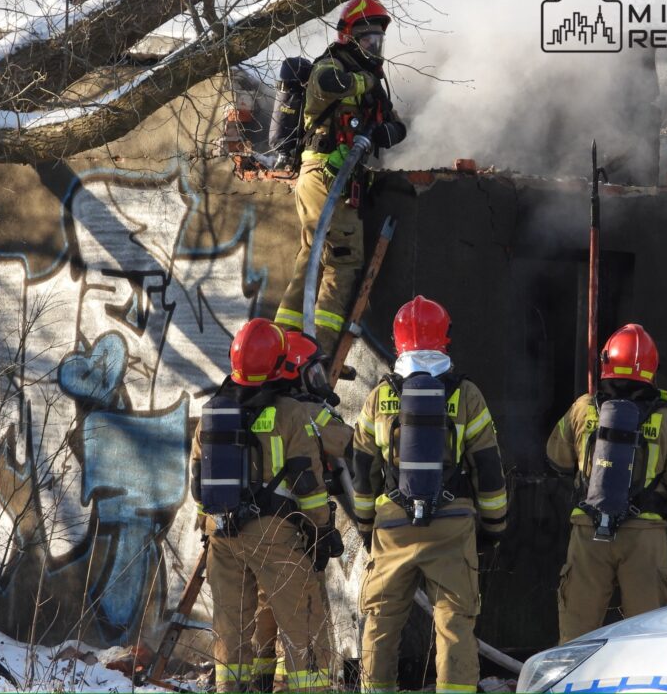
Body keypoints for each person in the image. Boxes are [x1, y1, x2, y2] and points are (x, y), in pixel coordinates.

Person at [351, 296, 508, 694]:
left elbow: (363, 470)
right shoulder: (466, 394)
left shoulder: (378, 397)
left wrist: (367, 525)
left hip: (392, 526)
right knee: (454, 622)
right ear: (445, 338)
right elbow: (488, 467)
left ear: (397, 341)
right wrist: (494, 526)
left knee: (382, 621)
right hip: (452, 524)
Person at [190, 319, 343, 692]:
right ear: (279, 363)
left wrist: (208, 527)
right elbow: (308, 483)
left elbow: (198, 483)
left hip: (221, 536)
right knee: (305, 629)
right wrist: (322, 529)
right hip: (273, 537)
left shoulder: (212, 413)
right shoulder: (291, 412)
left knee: (232, 633)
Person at [275, 0, 407, 360]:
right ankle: (319, 354)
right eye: (368, 40)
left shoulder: (372, 82)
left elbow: (397, 125)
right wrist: (366, 83)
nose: (375, 48)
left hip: (341, 180)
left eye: (379, 41)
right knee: (343, 260)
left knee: (312, 255)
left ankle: (284, 347)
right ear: (349, 37)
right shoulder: (331, 65)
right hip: (324, 172)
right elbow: (328, 84)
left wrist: (385, 132)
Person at [547, 323, 667, 644]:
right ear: (652, 369)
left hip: (589, 534)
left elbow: (555, 459)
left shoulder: (582, 409)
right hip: (646, 539)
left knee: (576, 637)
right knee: (648, 640)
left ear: (607, 362)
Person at [251, 331, 354, 692]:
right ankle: (307, 682)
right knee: (306, 609)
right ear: (296, 372)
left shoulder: (253, 407)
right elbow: (347, 441)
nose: (318, 380)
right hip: (296, 528)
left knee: (265, 604)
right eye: (313, 372)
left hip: (252, 529)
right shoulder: (306, 411)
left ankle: (260, 680)